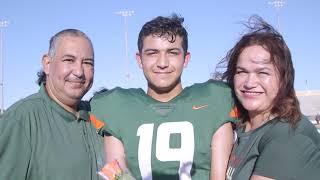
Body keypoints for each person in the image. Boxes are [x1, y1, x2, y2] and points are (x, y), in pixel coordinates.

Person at [90, 14, 236, 180]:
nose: (162, 62)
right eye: (152, 53)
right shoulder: (116, 105)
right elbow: (116, 170)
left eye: (172, 52)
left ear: (186, 59)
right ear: (139, 59)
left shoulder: (213, 98)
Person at [215, 16, 320, 180]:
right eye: (241, 71)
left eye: (262, 73)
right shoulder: (240, 127)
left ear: (284, 78)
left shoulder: (289, 136)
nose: (249, 82)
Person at [0, 29, 103, 180]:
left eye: (87, 63)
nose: (79, 72)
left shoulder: (98, 115)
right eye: (69, 60)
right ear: (47, 64)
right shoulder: (21, 120)